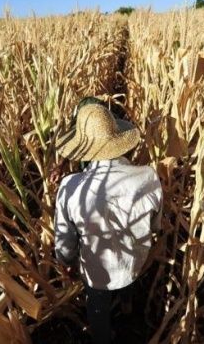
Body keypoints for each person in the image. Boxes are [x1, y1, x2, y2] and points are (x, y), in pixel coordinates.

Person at [54, 102, 163, 343]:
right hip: (134, 262)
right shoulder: (148, 177)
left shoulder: (70, 188)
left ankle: (104, 337)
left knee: (97, 308)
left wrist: (68, 262)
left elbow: (64, 243)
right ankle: (127, 309)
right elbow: (156, 226)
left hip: (96, 272)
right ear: (117, 138)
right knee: (128, 285)